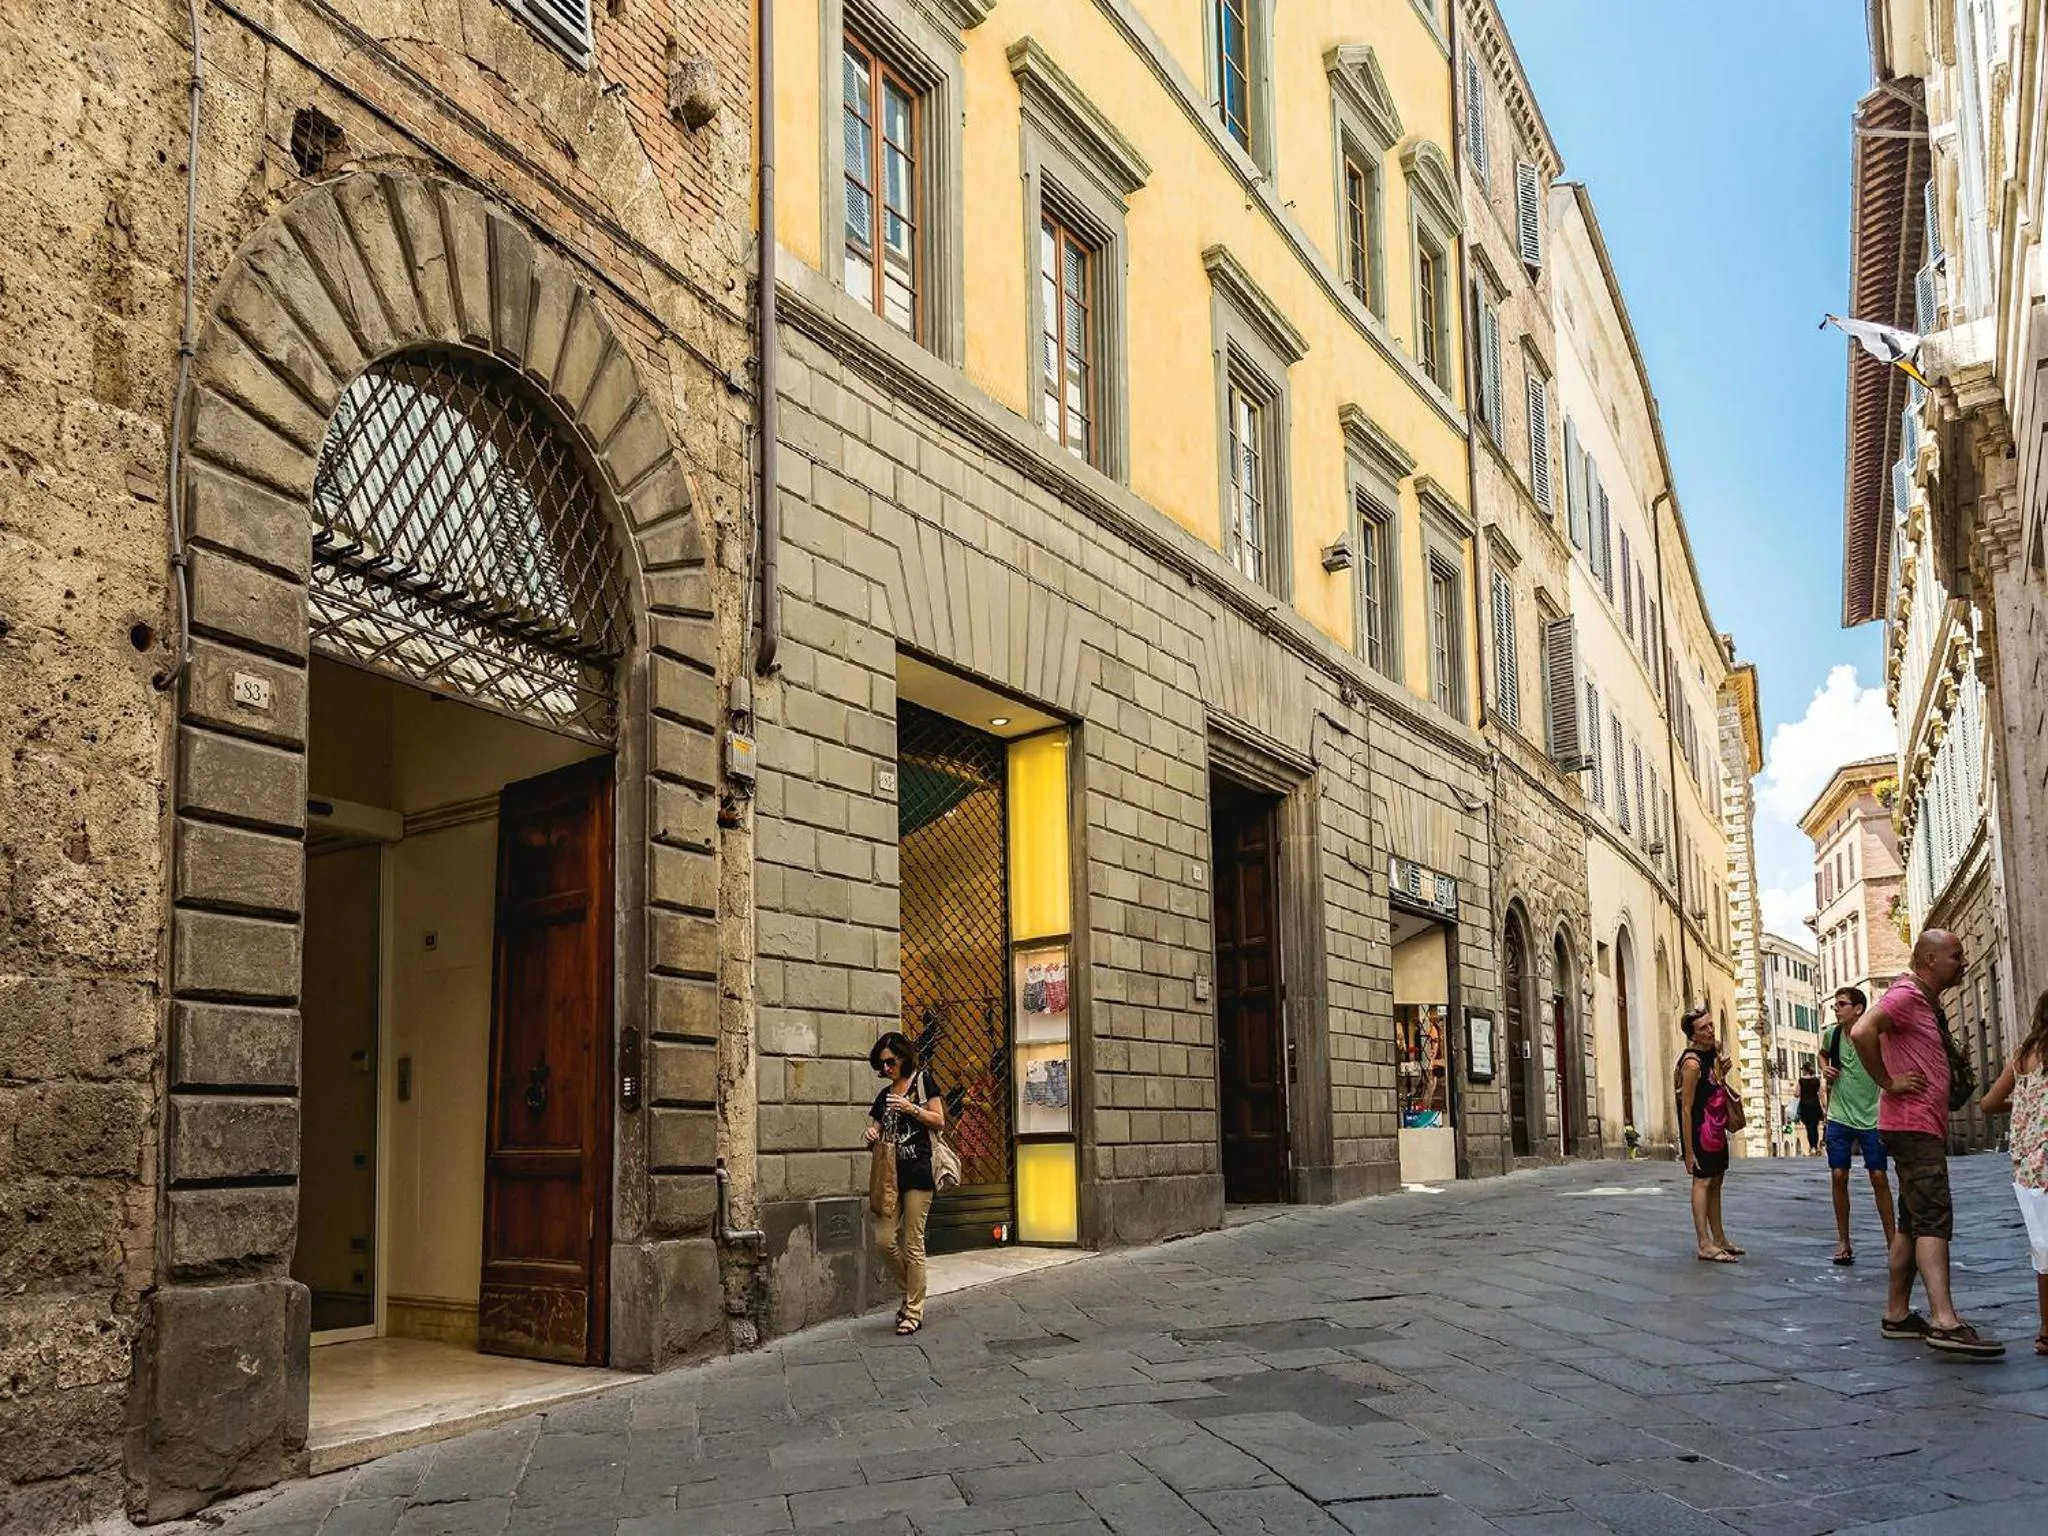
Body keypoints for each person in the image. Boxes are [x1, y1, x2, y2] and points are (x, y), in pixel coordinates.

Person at [1849, 930, 2004, 1357]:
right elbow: (1862, 1031)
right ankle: (1944, 1320)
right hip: (1913, 1125)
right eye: (1956, 955)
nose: (1964, 961)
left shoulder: (1922, 998)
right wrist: (1887, 1081)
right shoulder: (1906, 996)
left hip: (1913, 1125)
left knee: (1911, 1223)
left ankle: (1897, 1314)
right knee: (1934, 1219)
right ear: (1931, 960)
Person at [1977, 989, 2048, 1357]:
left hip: (2028, 1166)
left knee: (2044, 1251)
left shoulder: (2022, 1056)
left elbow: (1988, 1104)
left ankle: (2046, 1331)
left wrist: (2022, 1100)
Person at [864, 1031, 946, 1337]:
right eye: (881, 1065)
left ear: (903, 1056)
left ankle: (913, 1311)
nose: (886, 1069)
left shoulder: (924, 1082)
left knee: (913, 1243)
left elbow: (939, 1120)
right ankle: (910, 1291)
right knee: (884, 1241)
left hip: (919, 1172)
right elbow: (874, 1130)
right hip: (890, 1176)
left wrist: (911, 1108)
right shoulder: (884, 1096)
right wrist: (870, 1135)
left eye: (890, 1062)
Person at [1819, 986, 1896, 1266]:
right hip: (1839, 1115)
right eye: (1835, 1005)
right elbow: (1823, 1053)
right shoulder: (1833, 1034)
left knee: (1879, 1177)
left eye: (1842, 1004)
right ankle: (1843, 1241)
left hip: (1872, 1115)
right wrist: (1825, 1067)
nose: (1836, 1009)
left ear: (1859, 1008)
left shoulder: (1873, 1035)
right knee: (1839, 1174)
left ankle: (1892, 1241)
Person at [1678, 1012, 1743, 1262]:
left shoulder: (1712, 1054)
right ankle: (1703, 1242)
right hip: (1701, 1131)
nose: (1710, 1030)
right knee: (1702, 1182)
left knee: (1716, 1180)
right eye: (1703, 1028)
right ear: (1692, 1035)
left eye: (1711, 1025)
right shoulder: (1691, 1064)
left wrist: (1721, 1073)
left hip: (1716, 1127)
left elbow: (1714, 1084)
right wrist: (1689, 1150)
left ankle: (1719, 1237)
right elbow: (1686, 1107)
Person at [1796, 1062, 1824, 1155]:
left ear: (1804, 1070)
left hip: (1805, 1106)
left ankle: (1812, 1147)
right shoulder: (1817, 1080)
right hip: (1815, 1105)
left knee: (1808, 1128)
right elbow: (1821, 1095)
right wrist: (1824, 1106)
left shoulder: (1801, 1081)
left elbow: (1797, 1093)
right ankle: (1815, 1147)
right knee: (1814, 1126)